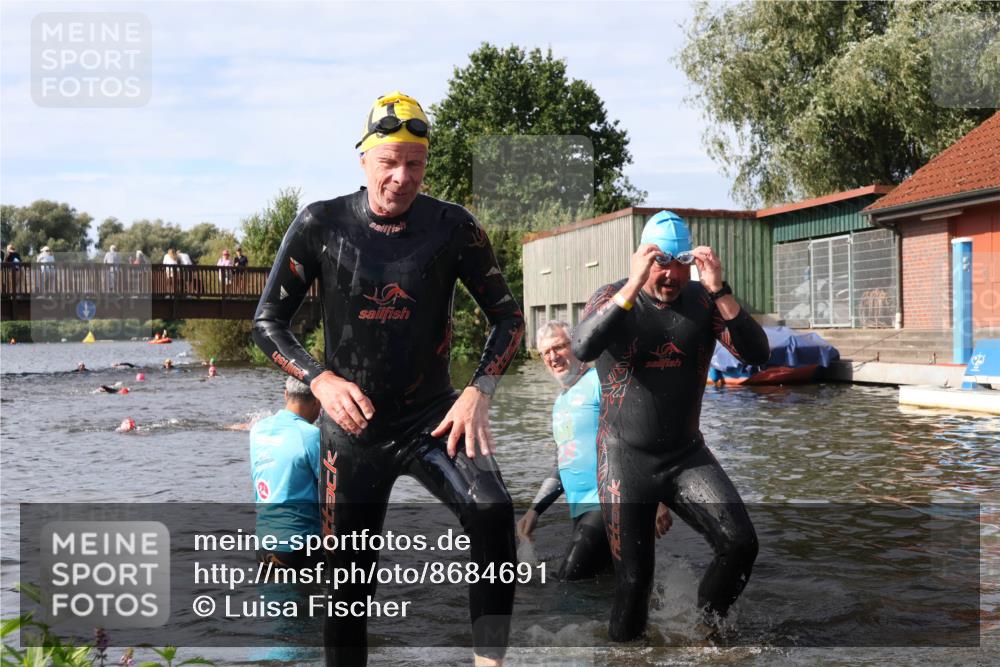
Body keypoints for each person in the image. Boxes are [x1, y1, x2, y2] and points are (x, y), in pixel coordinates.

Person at [253, 90, 524, 667]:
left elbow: (509, 317)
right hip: (353, 430)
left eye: (415, 164)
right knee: (348, 589)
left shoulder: (453, 227)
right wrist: (320, 379)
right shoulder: (320, 224)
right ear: (364, 160)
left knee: (493, 509)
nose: (402, 178)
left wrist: (480, 390)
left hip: (433, 416)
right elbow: (267, 321)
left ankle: (489, 663)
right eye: (389, 163)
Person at [572, 210, 770, 641]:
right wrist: (630, 285)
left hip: (685, 455)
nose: (671, 276)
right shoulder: (613, 296)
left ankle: (706, 632)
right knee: (634, 583)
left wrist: (720, 287)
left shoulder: (703, 301)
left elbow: (756, 355)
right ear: (643, 260)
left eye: (681, 264)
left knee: (740, 544)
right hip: (625, 459)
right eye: (661, 263)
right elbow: (583, 347)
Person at [517, 320, 672, 581]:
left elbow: (641, 434)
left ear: (577, 346)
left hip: (610, 502)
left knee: (567, 581)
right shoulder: (560, 404)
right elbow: (563, 463)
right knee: (604, 588)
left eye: (559, 347)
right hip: (581, 510)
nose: (553, 357)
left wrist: (657, 498)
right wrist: (534, 510)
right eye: (546, 352)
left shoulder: (600, 382)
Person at [250, 376, 324, 569]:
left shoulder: (257, 430)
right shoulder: (312, 435)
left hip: (264, 543)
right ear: (317, 401)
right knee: (314, 597)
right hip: (301, 541)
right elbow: (330, 490)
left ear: (285, 395)